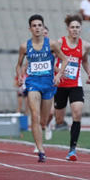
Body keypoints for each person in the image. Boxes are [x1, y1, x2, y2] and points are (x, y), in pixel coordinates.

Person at [15, 14, 68, 162]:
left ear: (43, 27)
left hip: (48, 84)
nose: (37, 28)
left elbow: (65, 59)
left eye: (40, 25)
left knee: (43, 121)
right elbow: (19, 64)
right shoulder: (24, 46)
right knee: (35, 115)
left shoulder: (52, 44)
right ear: (30, 29)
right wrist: (19, 76)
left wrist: (58, 76)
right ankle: (41, 150)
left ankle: (45, 127)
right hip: (33, 83)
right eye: (34, 25)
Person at [53, 14, 90, 161]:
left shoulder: (85, 45)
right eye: (72, 27)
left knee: (77, 112)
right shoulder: (59, 42)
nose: (75, 30)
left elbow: (85, 61)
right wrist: (57, 73)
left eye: (77, 27)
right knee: (59, 119)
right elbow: (51, 60)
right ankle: (55, 120)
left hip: (75, 84)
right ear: (67, 29)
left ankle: (72, 150)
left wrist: (89, 73)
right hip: (60, 85)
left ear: (80, 29)